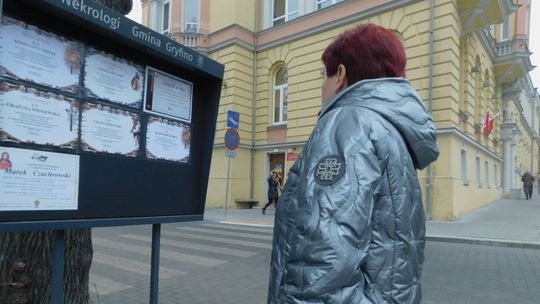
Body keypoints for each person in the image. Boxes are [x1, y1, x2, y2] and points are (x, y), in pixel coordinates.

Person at [267, 24, 439, 304]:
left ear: (341, 76)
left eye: (325, 75)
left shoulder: (347, 124)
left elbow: (322, 265)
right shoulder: (391, 133)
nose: (322, 86)